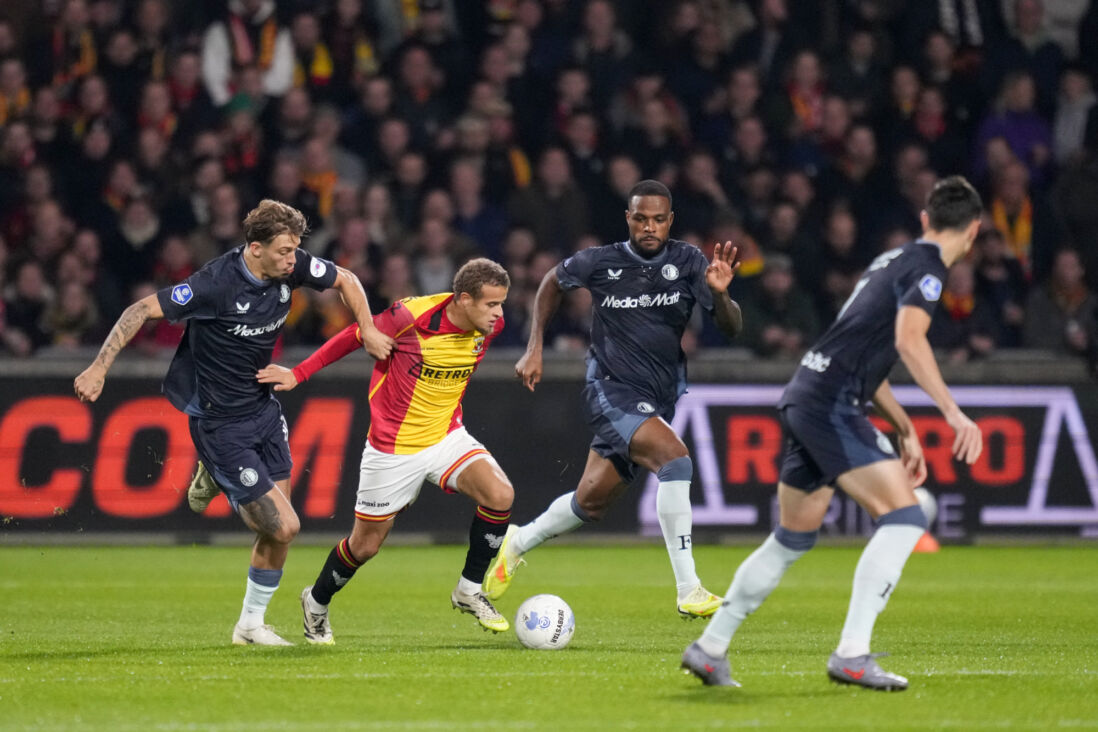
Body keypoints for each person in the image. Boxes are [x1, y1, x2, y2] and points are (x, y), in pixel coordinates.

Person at [680, 176, 985, 691]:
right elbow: (910, 342)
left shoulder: (891, 260)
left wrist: (906, 426)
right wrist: (953, 413)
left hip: (808, 392)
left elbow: (867, 353)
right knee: (908, 517)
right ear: (974, 231)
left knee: (792, 537)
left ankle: (710, 648)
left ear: (926, 219)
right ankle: (853, 653)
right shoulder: (929, 271)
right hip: (832, 404)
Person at [74, 199, 393, 646]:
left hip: (263, 411)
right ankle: (220, 477)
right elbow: (139, 311)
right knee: (285, 525)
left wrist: (369, 328)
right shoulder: (215, 284)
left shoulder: (291, 265)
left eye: (295, 249)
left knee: (277, 531)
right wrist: (98, 368)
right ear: (255, 247)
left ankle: (249, 626)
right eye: (284, 250)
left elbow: (347, 279)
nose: (293, 259)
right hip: (219, 423)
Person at [483, 179, 743, 618]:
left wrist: (720, 295)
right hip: (611, 390)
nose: (649, 227)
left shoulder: (688, 261)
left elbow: (733, 328)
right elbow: (551, 281)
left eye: (659, 220)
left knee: (590, 503)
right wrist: (535, 345)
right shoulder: (601, 262)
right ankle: (690, 589)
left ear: (670, 221)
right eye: (641, 218)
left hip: (657, 398)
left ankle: (517, 541)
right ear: (629, 218)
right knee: (675, 461)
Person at [255, 258, 515, 643]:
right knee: (366, 545)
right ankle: (316, 600)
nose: (500, 315)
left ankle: (468, 590)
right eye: (491, 304)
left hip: (446, 435)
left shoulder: (489, 328)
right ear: (462, 299)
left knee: (500, 495)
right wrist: (298, 373)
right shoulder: (410, 316)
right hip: (393, 448)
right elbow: (353, 337)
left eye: (502, 304)